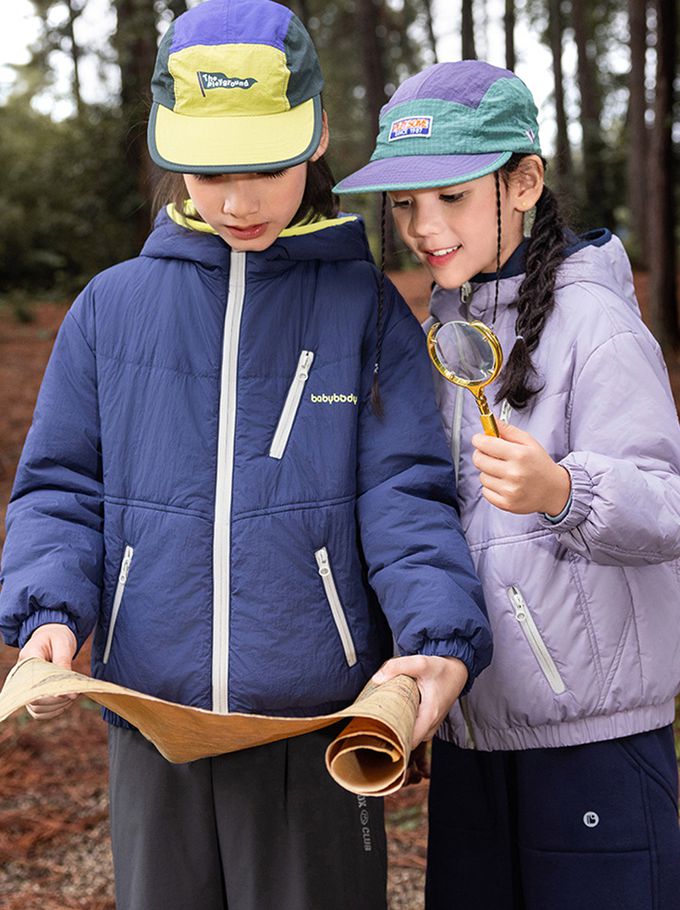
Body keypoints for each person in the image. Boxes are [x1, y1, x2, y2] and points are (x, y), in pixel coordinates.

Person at [0, 7, 492, 910]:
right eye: (213, 170)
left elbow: (405, 495)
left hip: (316, 727)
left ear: (317, 136)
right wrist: (49, 612)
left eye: (264, 168)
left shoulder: (366, 309)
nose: (238, 202)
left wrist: (436, 639)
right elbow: (61, 488)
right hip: (152, 722)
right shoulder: (110, 308)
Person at [336, 60, 680, 910]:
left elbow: (666, 502)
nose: (424, 226)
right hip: (475, 734)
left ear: (523, 183)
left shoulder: (596, 325)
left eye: (451, 196)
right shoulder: (441, 328)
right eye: (405, 204)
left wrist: (564, 491)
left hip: (594, 740)